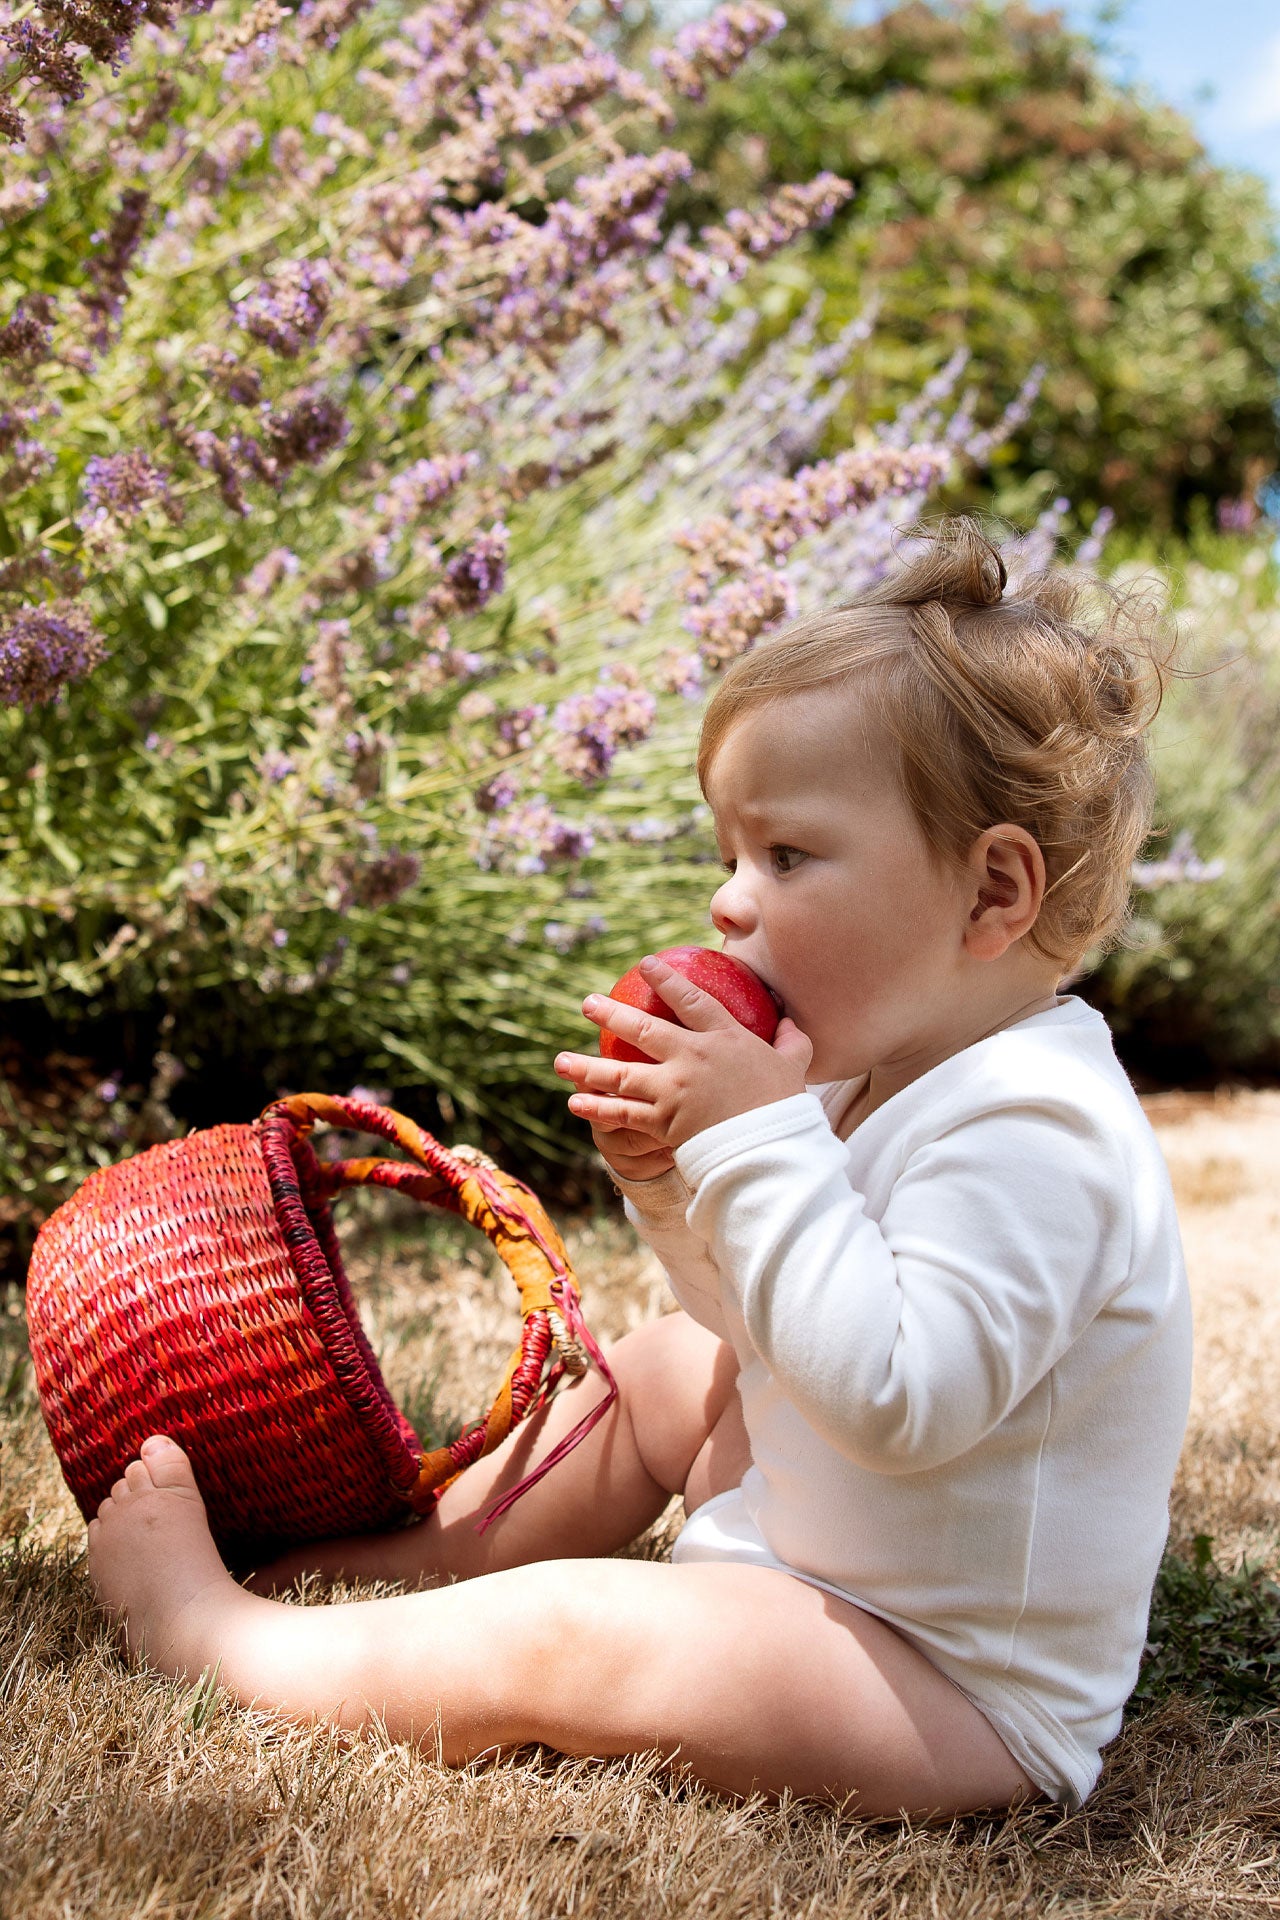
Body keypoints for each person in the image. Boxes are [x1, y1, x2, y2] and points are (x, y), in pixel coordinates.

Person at [87, 517, 1192, 1817]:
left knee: (594, 1639)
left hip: (938, 1689)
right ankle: (401, 1558)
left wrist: (754, 1138)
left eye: (786, 855)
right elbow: (766, 1326)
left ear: (992, 896)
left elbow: (899, 1398)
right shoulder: (863, 1069)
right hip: (804, 1548)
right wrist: (679, 1181)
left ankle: (229, 1645)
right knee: (677, 1359)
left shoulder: (1039, 1129)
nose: (728, 902)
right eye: (728, 854)